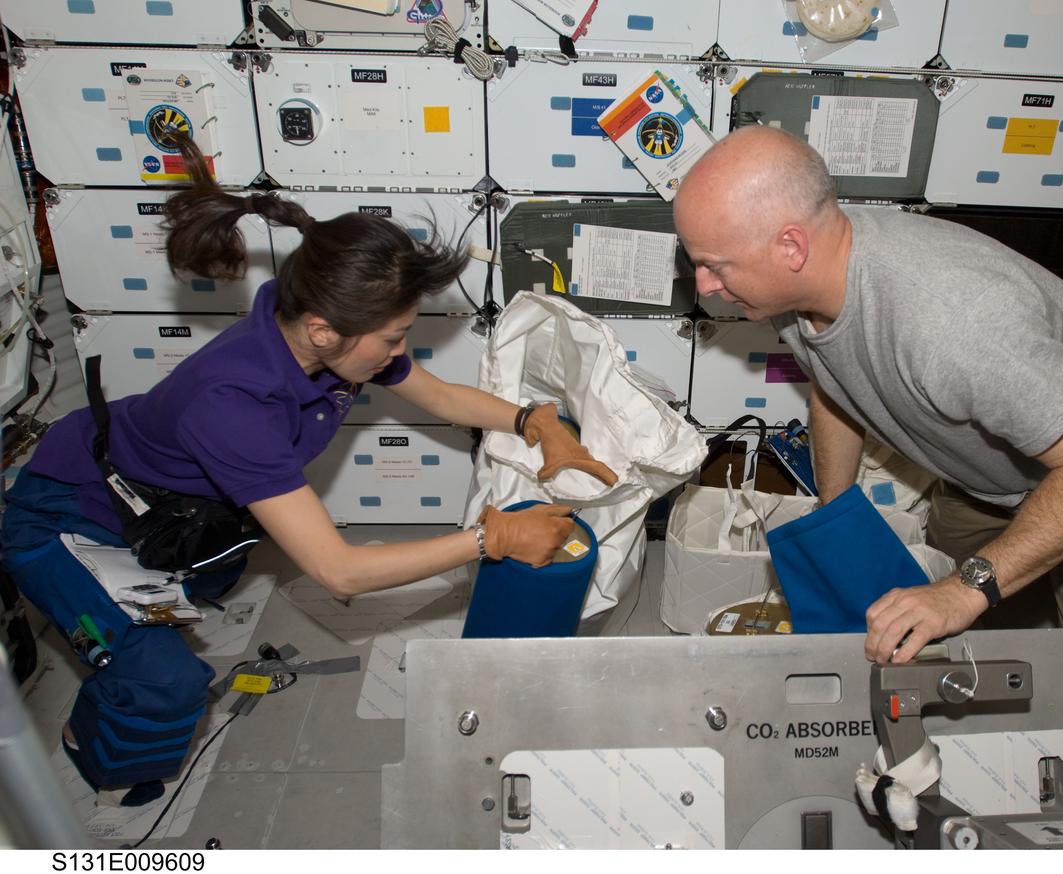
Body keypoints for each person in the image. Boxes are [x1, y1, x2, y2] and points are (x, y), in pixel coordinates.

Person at [0, 137, 616, 805]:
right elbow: (339, 572)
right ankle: (86, 744)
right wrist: (489, 540)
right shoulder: (233, 406)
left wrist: (534, 420)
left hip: (159, 505)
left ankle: (143, 616)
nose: (399, 352)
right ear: (324, 330)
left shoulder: (315, 331)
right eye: (392, 339)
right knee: (164, 681)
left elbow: (438, 396)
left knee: (216, 568)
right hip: (68, 517)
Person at [673, 125, 1063, 673]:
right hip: (987, 472)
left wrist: (964, 591)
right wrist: (837, 514)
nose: (704, 286)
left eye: (715, 266)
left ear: (790, 247)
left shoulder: (953, 321)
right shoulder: (795, 288)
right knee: (942, 611)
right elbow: (834, 384)